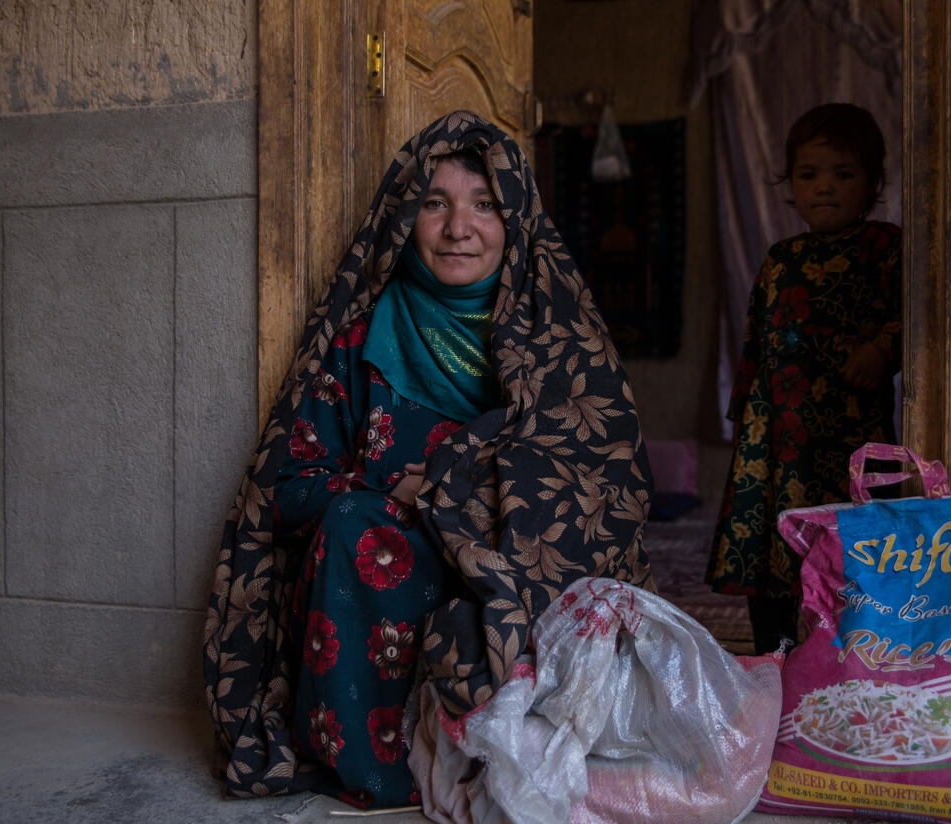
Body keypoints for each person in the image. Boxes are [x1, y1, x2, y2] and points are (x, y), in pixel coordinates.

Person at [202, 111, 653, 807]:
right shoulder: (360, 341)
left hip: (505, 565)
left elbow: (603, 482)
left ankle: (489, 748)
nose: (458, 228)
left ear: (516, 222)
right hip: (385, 563)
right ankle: (386, 771)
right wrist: (393, 494)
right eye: (434, 204)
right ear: (405, 218)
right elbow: (285, 488)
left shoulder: (558, 341)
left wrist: (459, 494)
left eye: (484, 205)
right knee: (355, 524)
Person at [705, 103, 900, 655]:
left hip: (847, 429)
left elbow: (919, 320)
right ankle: (775, 656)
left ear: (874, 182)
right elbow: (755, 340)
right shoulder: (780, 257)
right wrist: (747, 417)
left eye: (844, 174)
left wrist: (883, 350)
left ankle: (849, 653)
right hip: (774, 437)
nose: (825, 188)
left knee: (847, 538)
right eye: (809, 175)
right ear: (790, 184)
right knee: (771, 538)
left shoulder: (886, 248)